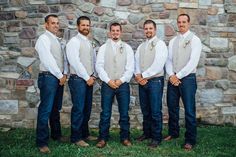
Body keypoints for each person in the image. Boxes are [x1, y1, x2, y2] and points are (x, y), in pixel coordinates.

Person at [164, 13, 202, 151]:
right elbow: (168, 60)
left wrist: (177, 76)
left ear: (189, 23)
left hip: (188, 79)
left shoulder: (195, 40)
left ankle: (190, 139)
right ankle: (173, 133)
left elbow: (193, 62)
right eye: (179, 22)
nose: (181, 24)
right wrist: (171, 75)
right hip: (173, 78)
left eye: (184, 22)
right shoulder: (173, 41)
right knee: (172, 107)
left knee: (189, 110)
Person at [95, 22, 134, 148]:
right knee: (105, 112)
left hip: (122, 85)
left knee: (124, 113)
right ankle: (102, 138)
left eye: (117, 30)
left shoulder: (127, 48)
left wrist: (121, 80)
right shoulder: (103, 48)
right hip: (107, 84)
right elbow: (99, 66)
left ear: (120, 32)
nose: (115, 33)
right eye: (113, 30)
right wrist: (108, 80)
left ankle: (125, 137)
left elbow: (130, 68)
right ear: (110, 32)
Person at [35, 14, 68, 153]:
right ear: (46, 25)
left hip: (58, 78)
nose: (55, 25)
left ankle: (56, 135)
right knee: (46, 109)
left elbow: (62, 59)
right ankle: (42, 142)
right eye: (52, 23)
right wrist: (60, 75)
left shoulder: (57, 40)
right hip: (48, 77)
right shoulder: (43, 38)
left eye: (57, 23)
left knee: (55, 108)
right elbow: (47, 60)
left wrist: (64, 74)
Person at [134, 20, 168, 148]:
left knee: (155, 110)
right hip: (142, 82)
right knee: (145, 110)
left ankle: (156, 137)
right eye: (146, 29)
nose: (148, 31)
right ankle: (146, 133)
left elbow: (158, 65)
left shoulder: (160, 44)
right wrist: (138, 76)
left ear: (155, 29)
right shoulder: (141, 46)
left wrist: (143, 76)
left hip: (155, 81)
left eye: (150, 28)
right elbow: (136, 62)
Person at [66, 16, 97, 147]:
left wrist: (93, 75)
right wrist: (87, 77)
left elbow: (92, 60)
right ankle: (76, 138)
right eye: (83, 25)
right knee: (78, 109)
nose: (85, 27)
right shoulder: (74, 41)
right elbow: (75, 62)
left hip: (88, 79)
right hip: (78, 80)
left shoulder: (88, 42)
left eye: (87, 25)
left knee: (87, 108)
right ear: (78, 27)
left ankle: (85, 134)